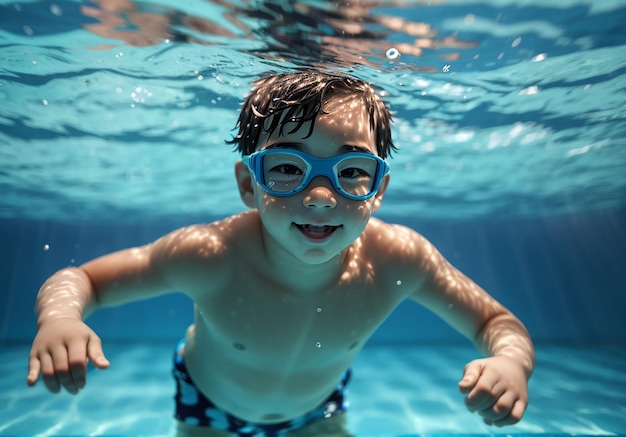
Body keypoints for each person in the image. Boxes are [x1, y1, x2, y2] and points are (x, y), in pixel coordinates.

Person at [27, 70, 535, 436]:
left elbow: (498, 324)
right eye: (287, 169)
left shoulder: (401, 260)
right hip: (208, 407)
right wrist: (60, 319)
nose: (319, 197)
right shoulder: (210, 254)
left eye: (352, 171)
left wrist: (510, 362)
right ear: (249, 184)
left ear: (378, 189)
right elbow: (82, 281)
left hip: (319, 409)